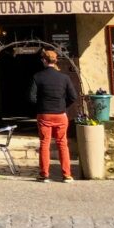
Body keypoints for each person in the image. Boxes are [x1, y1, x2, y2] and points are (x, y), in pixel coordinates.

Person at [30, 48, 78, 182]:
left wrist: (41, 106)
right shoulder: (64, 78)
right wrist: (63, 106)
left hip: (44, 114)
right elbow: (73, 97)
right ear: (55, 61)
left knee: (44, 143)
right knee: (62, 143)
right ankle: (67, 175)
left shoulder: (38, 77)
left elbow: (31, 97)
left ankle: (44, 174)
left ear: (44, 60)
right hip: (60, 114)